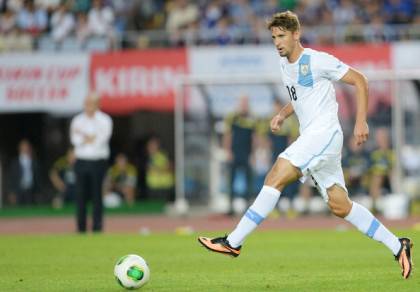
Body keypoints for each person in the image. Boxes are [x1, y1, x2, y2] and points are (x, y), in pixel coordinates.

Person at [198, 11, 413, 279]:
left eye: (282, 36)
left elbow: (360, 80)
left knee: (276, 172)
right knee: (340, 205)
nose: (277, 42)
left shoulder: (316, 60)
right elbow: (300, 98)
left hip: (324, 134)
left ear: (296, 34)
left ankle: (233, 242)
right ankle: (398, 245)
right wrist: (282, 114)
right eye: (274, 37)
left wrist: (361, 122)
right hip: (314, 137)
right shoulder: (284, 65)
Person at [70, 92, 112, 233]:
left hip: (98, 162)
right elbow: (75, 141)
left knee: (97, 196)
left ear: (98, 104)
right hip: (81, 162)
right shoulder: (77, 120)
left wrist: (84, 136)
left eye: (91, 103)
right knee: (80, 196)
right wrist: (89, 137)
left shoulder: (105, 120)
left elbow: (101, 140)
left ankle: (97, 227)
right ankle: (80, 228)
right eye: (86, 103)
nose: (88, 106)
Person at [223, 95, 257, 214]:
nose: (244, 105)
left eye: (246, 102)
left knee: (249, 182)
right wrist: (228, 151)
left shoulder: (252, 118)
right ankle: (230, 207)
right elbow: (228, 135)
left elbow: (254, 138)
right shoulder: (232, 117)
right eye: (242, 102)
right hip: (235, 153)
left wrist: (253, 155)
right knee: (231, 181)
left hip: (247, 154)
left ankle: (248, 207)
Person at [8, 139, 41, 205]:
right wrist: (12, 192)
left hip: (31, 190)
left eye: (27, 147)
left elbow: (38, 178)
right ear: (20, 148)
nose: (25, 148)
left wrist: (39, 192)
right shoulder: (15, 162)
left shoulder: (34, 162)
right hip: (18, 190)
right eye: (23, 147)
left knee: (31, 210)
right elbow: (12, 178)